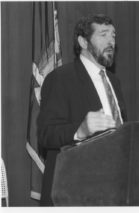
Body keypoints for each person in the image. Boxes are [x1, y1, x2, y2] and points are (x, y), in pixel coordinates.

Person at [37, 14, 127, 206]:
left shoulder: (114, 81)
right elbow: (46, 134)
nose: (111, 41)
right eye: (103, 34)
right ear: (83, 42)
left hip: (114, 187)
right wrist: (80, 130)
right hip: (75, 191)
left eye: (113, 35)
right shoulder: (60, 79)